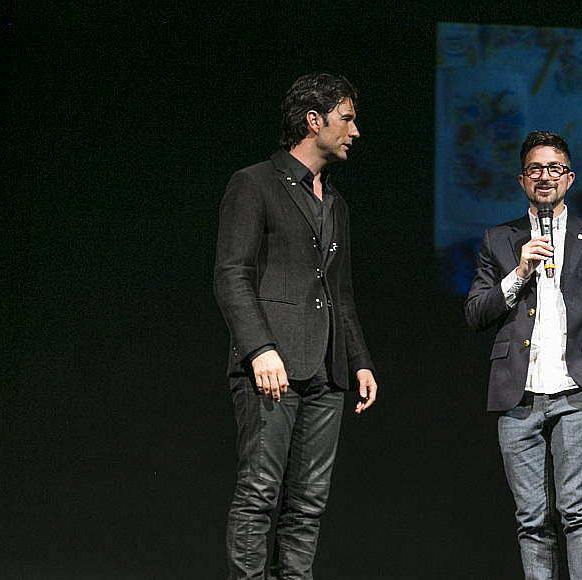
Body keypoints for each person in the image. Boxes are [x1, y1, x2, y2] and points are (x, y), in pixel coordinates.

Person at [213, 72, 377, 580]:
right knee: (260, 493)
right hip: (272, 366)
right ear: (314, 119)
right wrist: (259, 348)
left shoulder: (336, 203)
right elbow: (231, 273)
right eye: (346, 118)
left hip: (327, 371)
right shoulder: (254, 183)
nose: (354, 131)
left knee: (308, 503)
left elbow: (339, 291)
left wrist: (360, 361)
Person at [465, 130, 582, 579]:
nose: (545, 177)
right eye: (536, 169)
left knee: (579, 511)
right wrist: (519, 271)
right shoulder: (499, 239)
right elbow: (475, 312)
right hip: (518, 395)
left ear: (570, 178)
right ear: (522, 180)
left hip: (578, 390)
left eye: (555, 168)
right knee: (532, 519)